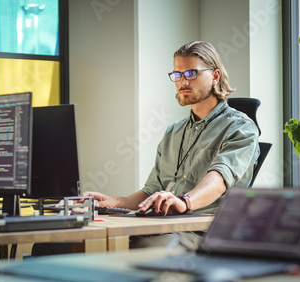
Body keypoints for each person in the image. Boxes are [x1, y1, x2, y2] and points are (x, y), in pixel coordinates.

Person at [84, 41, 259, 216]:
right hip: (166, 225)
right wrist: (114, 202)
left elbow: (219, 179)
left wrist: (185, 202)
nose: (183, 82)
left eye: (191, 73)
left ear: (215, 76)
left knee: (130, 242)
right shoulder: (173, 132)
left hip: (203, 229)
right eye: (178, 74)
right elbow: (151, 190)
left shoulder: (241, 128)